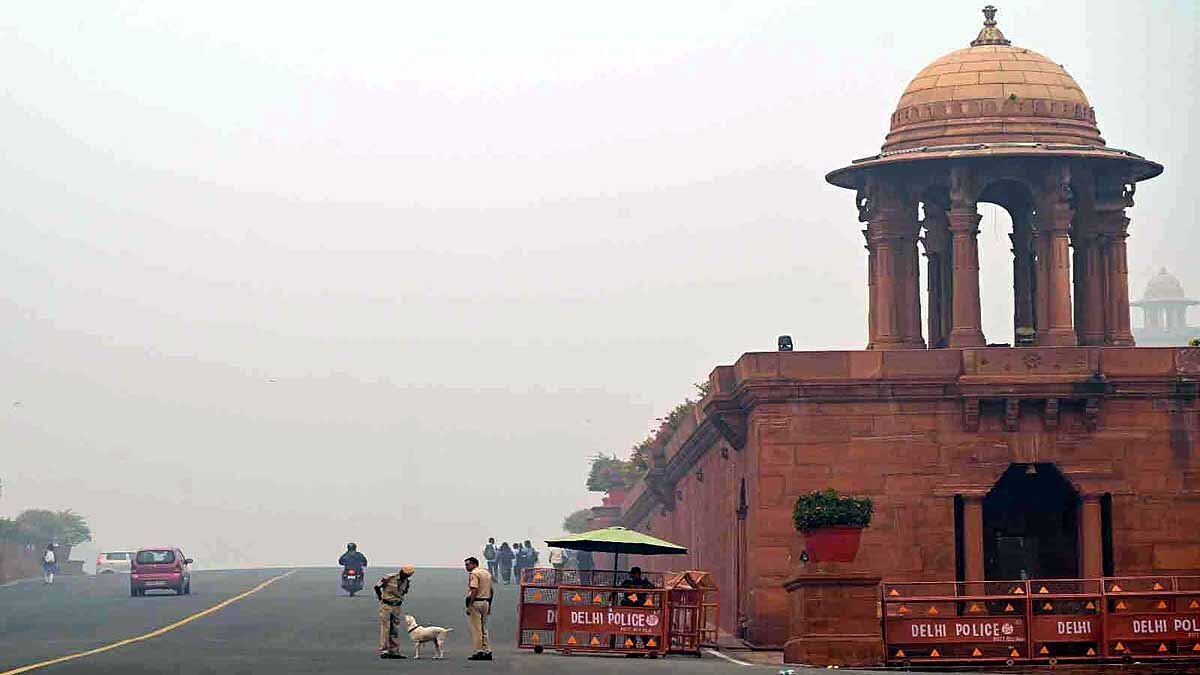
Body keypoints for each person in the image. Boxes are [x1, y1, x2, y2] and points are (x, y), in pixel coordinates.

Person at [373, 564, 415, 659]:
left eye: (407, 575)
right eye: (404, 574)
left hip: (397, 607)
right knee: (386, 628)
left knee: (395, 629)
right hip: (386, 605)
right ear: (401, 571)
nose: (405, 576)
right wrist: (380, 598)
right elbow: (377, 587)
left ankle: (394, 651)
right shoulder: (389, 577)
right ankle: (384, 650)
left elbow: (403, 593)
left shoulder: (407, 582)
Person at [463, 556, 494, 661]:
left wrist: (470, 605)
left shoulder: (474, 574)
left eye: (468, 564)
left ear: (474, 564)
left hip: (476, 602)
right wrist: (490, 604)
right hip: (486, 601)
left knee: (476, 629)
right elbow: (491, 590)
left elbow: (474, 589)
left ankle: (479, 651)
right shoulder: (487, 573)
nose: (466, 567)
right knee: (484, 628)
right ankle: (487, 651)